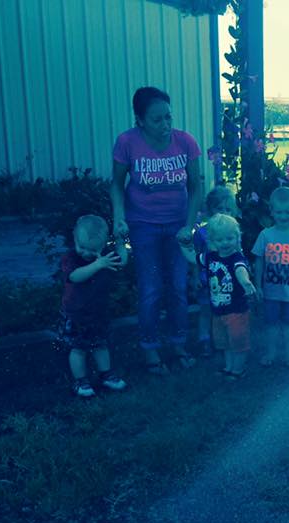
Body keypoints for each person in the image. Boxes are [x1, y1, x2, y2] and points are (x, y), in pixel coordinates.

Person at [111, 86, 203, 374]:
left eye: (168, 117)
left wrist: (189, 225)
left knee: (177, 287)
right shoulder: (127, 143)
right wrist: (118, 217)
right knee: (151, 289)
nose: (165, 125)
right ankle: (150, 350)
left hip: (178, 226)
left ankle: (178, 344)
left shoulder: (185, 142)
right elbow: (116, 184)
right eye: (157, 120)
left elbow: (196, 185)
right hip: (143, 226)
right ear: (140, 120)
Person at [57, 215, 129, 398]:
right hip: (76, 314)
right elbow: (74, 277)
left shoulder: (105, 257)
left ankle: (106, 374)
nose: (86, 253)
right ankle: (80, 381)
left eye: (93, 250)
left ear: (103, 245)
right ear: (75, 238)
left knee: (100, 345)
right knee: (78, 348)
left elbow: (122, 260)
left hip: (98, 312)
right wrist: (98, 264)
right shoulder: (71, 258)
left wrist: (121, 241)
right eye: (82, 247)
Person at [179, 213, 255, 379]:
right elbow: (193, 258)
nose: (225, 243)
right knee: (224, 342)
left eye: (229, 238)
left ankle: (238, 370)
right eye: (220, 240)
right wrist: (183, 244)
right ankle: (228, 367)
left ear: (237, 238)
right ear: (212, 241)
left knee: (238, 342)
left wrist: (245, 282)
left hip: (236, 311)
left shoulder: (236, 258)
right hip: (219, 311)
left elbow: (240, 270)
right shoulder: (210, 257)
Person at [252, 186, 289, 367]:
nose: (283, 216)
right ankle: (270, 353)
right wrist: (258, 286)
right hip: (271, 292)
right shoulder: (265, 235)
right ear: (271, 211)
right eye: (279, 212)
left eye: (288, 212)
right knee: (270, 324)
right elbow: (259, 262)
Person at [193, 186, 239, 358]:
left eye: (228, 209)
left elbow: (238, 255)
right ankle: (204, 339)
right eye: (220, 209)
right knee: (206, 310)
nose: (224, 213)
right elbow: (195, 256)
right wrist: (195, 276)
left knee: (224, 311)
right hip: (207, 280)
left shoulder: (233, 231)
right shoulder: (201, 233)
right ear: (211, 210)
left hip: (226, 281)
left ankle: (223, 340)